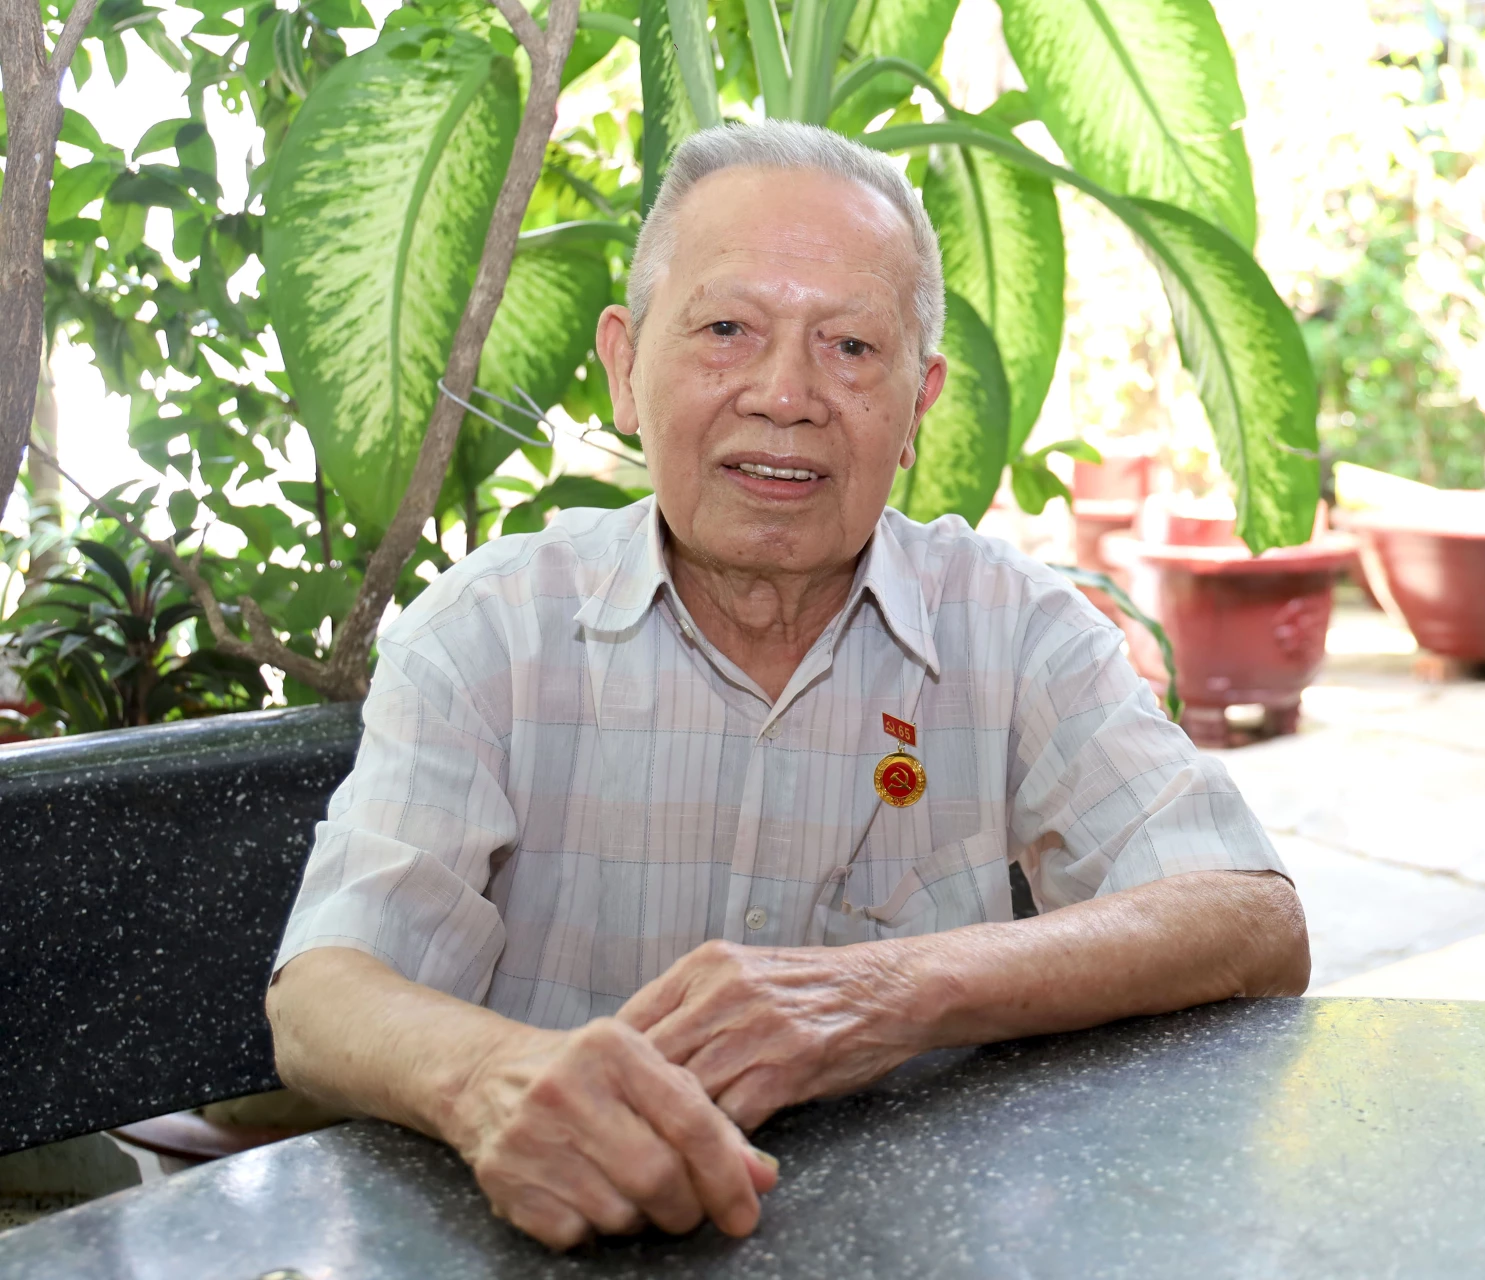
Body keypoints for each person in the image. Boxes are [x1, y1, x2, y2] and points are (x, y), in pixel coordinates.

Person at [265, 120, 1310, 1251]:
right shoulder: (489, 629)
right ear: (625, 365)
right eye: (727, 330)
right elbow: (323, 992)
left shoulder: (1013, 627)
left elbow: (1249, 918)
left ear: (917, 407)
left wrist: (888, 991)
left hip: (913, 1242)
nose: (785, 394)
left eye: (851, 347)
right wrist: (493, 1081)